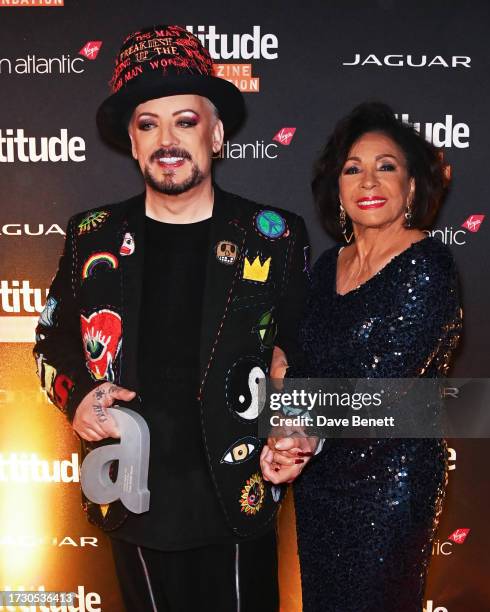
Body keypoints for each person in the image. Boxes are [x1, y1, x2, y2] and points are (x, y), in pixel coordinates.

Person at [33, 25, 310, 612]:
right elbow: (48, 344)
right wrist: (77, 398)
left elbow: (304, 351)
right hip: (133, 500)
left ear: (215, 134)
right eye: (148, 124)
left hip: (239, 494)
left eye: (185, 121)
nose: (167, 139)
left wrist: (295, 429)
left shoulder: (276, 234)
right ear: (133, 143)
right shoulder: (92, 236)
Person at [260, 102, 462, 611]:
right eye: (353, 169)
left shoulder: (428, 266)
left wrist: (298, 413)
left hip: (390, 486)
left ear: (412, 187)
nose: (368, 181)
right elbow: (293, 356)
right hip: (322, 482)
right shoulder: (328, 266)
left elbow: (383, 387)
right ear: (338, 189)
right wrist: (288, 433)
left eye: (385, 166)